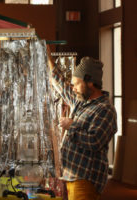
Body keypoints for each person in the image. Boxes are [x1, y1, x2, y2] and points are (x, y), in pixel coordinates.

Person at [47, 47, 117, 200]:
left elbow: (94, 141)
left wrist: (71, 126)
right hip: (70, 176)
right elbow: (62, 87)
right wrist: (49, 59)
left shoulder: (105, 110)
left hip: (85, 180)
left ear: (90, 82)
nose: (74, 88)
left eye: (77, 84)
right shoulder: (81, 102)